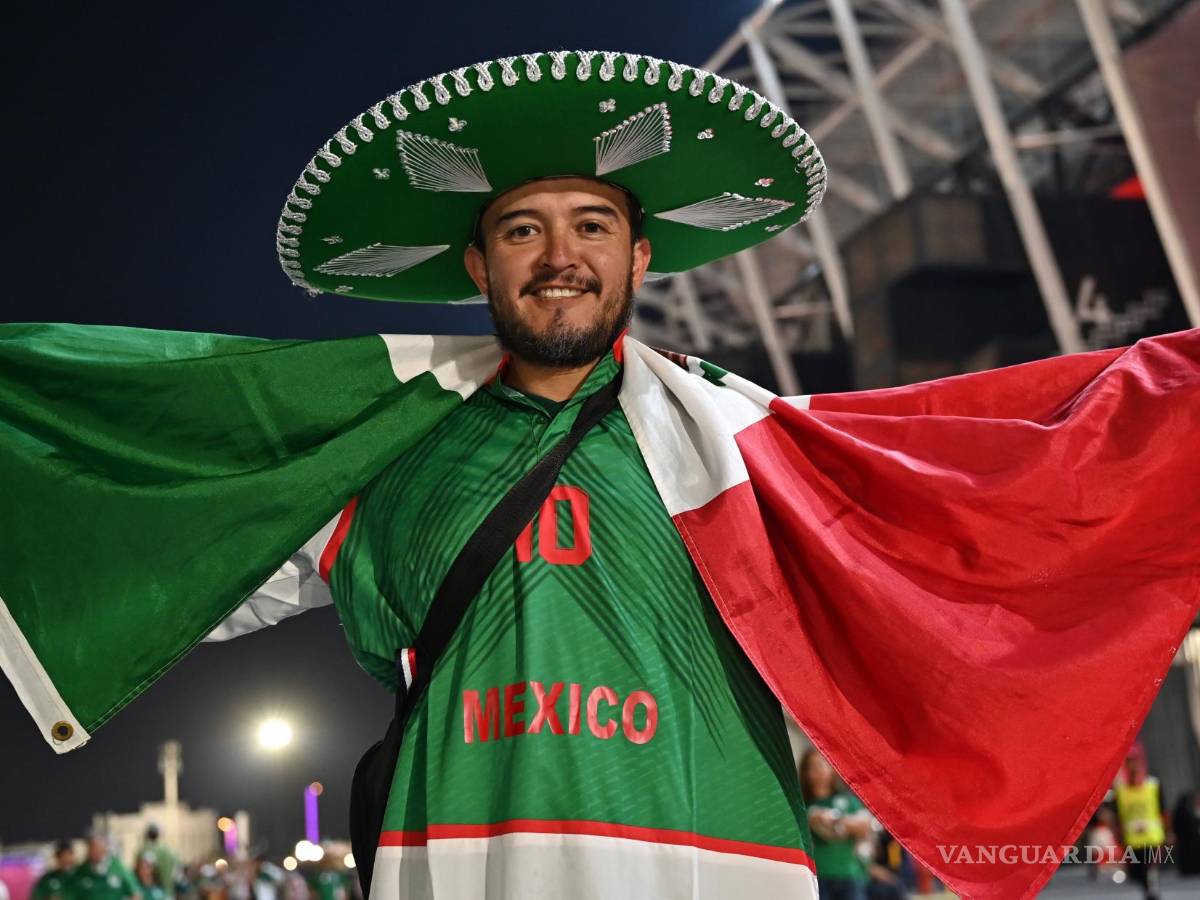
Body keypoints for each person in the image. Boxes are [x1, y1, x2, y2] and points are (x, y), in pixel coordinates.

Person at [3, 49, 1200, 900]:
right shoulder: (380, 449)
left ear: (639, 254)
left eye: (592, 225)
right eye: (525, 228)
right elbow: (175, 542)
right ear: (476, 258)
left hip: (711, 865)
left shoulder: (752, 447)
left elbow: (1010, 456)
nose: (561, 256)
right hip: (453, 868)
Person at [800, 749, 873, 900]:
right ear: (805, 772)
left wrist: (834, 820)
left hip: (849, 874)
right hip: (816, 877)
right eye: (813, 766)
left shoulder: (847, 799)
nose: (818, 770)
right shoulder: (800, 804)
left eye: (822, 764)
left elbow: (865, 826)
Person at [1115, 744, 1171, 900]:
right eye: (1129, 762)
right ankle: (1148, 888)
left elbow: (1163, 810)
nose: (1133, 766)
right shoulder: (1121, 791)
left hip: (1152, 838)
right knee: (1137, 874)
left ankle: (1152, 890)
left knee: (1150, 870)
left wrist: (1169, 832)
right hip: (1132, 841)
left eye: (1135, 761)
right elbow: (1118, 817)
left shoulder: (1152, 785)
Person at [67, 836, 140, 900]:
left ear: (105, 849)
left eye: (98, 849)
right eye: (92, 849)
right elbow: (69, 894)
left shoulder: (117, 867)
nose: (96, 853)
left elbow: (135, 894)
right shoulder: (81, 871)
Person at [138, 827, 179, 900]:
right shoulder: (167, 851)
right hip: (167, 891)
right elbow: (177, 866)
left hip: (148, 892)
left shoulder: (144, 850)